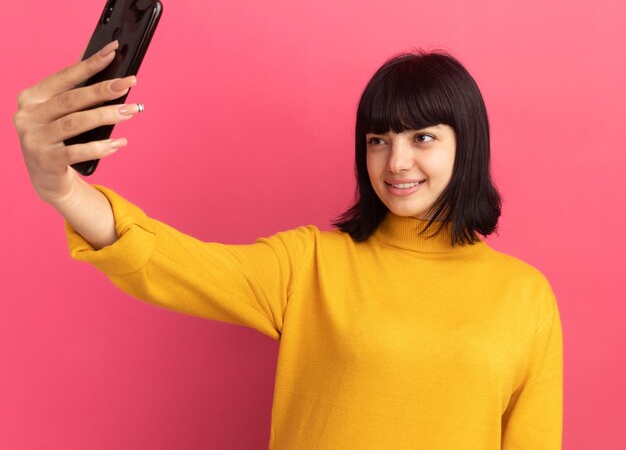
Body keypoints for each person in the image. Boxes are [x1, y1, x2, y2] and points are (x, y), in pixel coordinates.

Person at [14, 40, 563, 449]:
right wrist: (62, 190)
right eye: (378, 141)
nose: (396, 163)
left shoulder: (524, 296)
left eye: (422, 137)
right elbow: (170, 262)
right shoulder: (312, 263)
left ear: (467, 145)